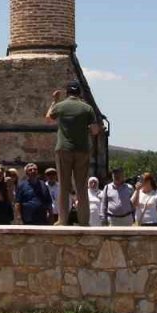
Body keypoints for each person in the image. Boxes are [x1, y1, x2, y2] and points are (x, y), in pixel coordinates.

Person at [44, 82, 101, 227]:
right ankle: (83, 220)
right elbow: (95, 131)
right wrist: (83, 131)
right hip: (82, 149)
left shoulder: (60, 106)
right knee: (81, 186)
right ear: (79, 93)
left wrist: (55, 100)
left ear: (67, 92)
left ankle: (62, 220)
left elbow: (48, 119)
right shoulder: (87, 108)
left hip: (64, 149)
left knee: (63, 185)